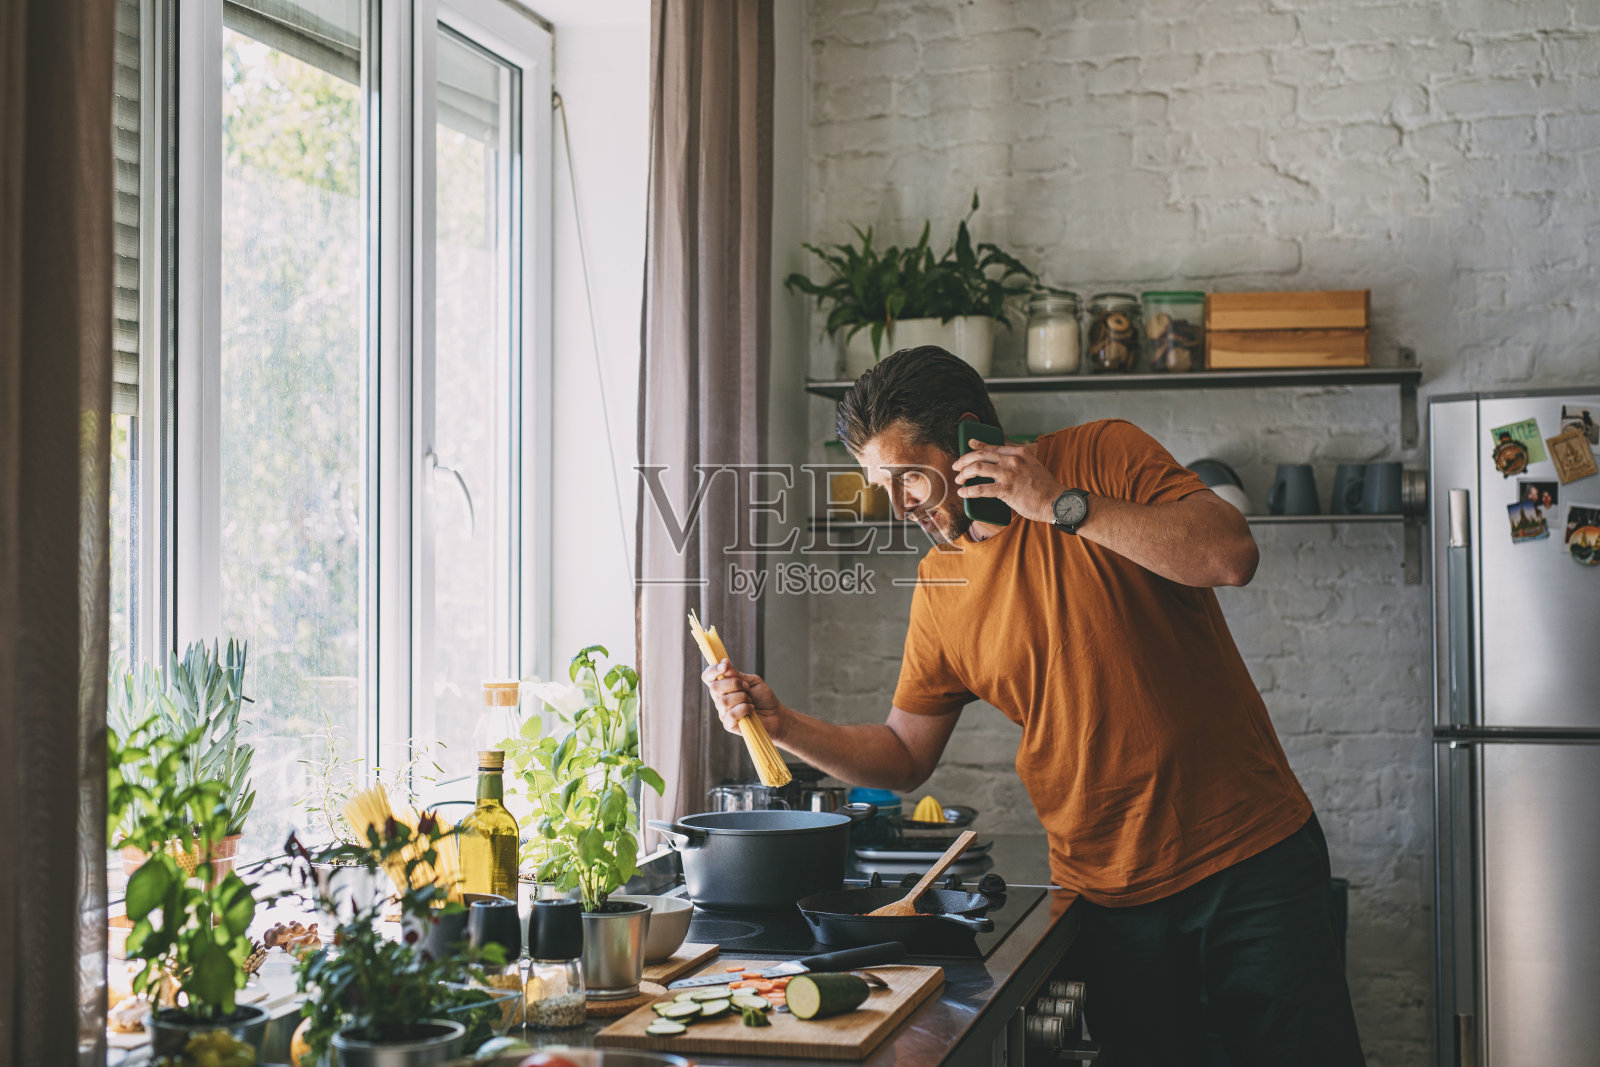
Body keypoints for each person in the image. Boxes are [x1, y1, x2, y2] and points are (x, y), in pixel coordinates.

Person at [700, 348, 1365, 1066]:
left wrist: (1057, 505)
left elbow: (1229, 554)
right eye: (879, 486)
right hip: (1105, 897)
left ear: (966, 440)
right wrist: (782, 725)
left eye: (906, 478)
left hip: (1250, 861)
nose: (898, 508)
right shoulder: (940, 581)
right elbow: (904, 754)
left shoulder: (1103, 452)